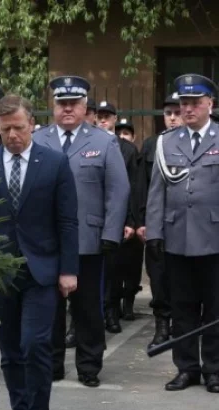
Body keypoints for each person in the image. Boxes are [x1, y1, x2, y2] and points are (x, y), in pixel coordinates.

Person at [0, 94, 78, 410]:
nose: (12, 135)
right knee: (9, 350)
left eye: (18, 127)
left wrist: (69, 269)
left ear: (32, 124)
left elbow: (67, 220)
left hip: (41, 271)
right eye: (5, 130)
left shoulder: (55, 163)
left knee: (35, 345)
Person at [145, 74, 219, 394]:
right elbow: (157, 192)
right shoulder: (167, 142)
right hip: (177, 238)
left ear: (210, 104)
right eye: (184, 103)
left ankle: (214, 369)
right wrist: (154, 233)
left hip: (217, 239)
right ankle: (186, 368)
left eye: (195, 103)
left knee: (217, 309)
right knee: (182, 309)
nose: (188, 109)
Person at [33, 75, 129, 388]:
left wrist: (111, 234)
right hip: (47, 241)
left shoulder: (103, 141)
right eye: (62, 103)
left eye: (74, 103)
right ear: (53, 106)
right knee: (50, 308)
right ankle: (52, 365)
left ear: (85, 107)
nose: (68, 109)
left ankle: (89, 365)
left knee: (88, 308)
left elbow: (118, 190)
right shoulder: (38, 139)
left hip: (89, 240)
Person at [138, 93, 182, 349]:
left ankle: (181, 325)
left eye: (177, 113)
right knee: (158, 276)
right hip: (158, 223)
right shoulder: (152, 144)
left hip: (184, 224)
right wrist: (143, 221)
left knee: (182, 279)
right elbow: (142, 187)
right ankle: (162, 326)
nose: (173, 118)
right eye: (168, 113)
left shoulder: (192, 145)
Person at [96, 100, 144, 329]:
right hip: (93, 218)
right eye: (100, 116)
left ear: (114, 120)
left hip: (117, 219)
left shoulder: (127, 149)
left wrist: (131, 221)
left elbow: (133, 188)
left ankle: (112, 312)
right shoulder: (87, 144)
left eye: (107, 117)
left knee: (115, 269)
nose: (103, 121)